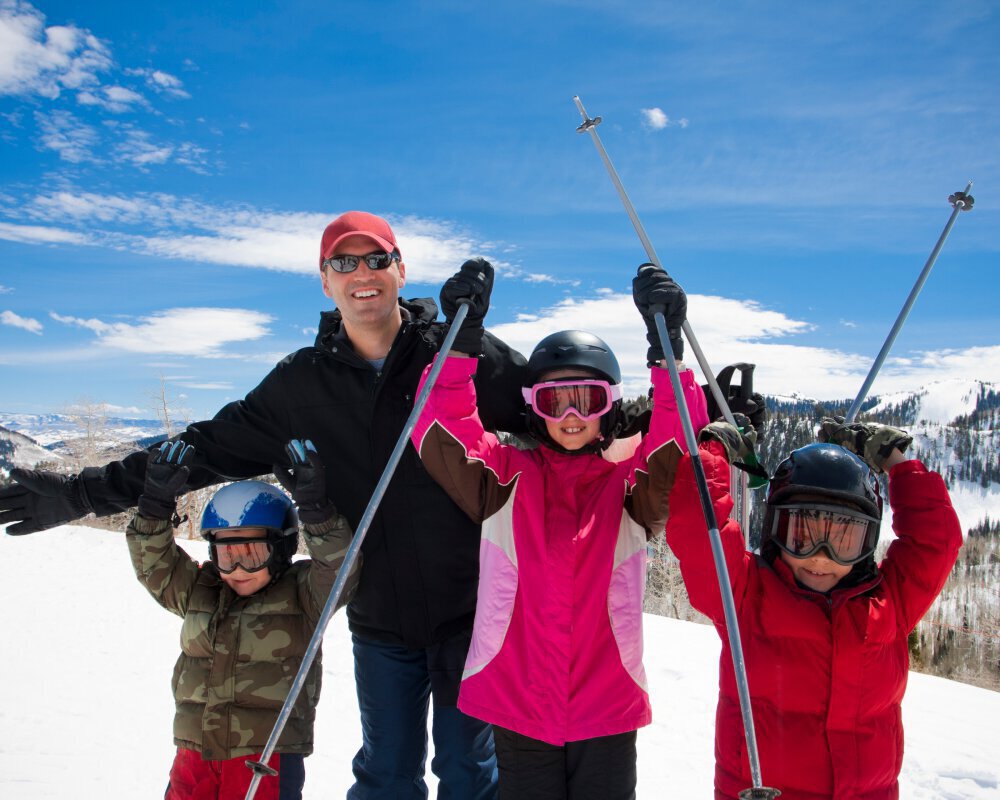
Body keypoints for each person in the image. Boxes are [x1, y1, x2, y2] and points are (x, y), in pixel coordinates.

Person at [0, 211, 529, 799]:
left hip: (475, 612)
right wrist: (83, 493)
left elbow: (564, 414)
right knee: (387, 775)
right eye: (344, 262)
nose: (363, 273)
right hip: (380, 617)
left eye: (377, 259)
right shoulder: (300, 386)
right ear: (325, 280)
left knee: (471, 773)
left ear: (400, 271)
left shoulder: (459, 353)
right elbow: (200, 449)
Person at [408, 261, 709, 799]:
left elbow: (677, 448)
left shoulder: (628, 490)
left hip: (606, 703)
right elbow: (439, 428)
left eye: (588, 399)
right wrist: (461, 346)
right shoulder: (503, 479)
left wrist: (667, 359)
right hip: (518, 700)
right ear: (534, 410)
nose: (571, 416)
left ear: (609, 405)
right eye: (553, 400)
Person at [665, 416, 963, 799]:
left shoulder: (889, 603)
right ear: (774, 529)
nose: (821, 558)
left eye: (845, 540)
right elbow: (696, 526)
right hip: (760, 788)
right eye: (800, 535)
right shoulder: (745, 595)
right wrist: (716, 449)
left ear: (868, 543)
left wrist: (894, 462)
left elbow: (936, 540)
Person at [129, 438, 358, 800]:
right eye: (226, 555)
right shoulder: (199, 590)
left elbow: (338, 568)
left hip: (265, 757)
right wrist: (154, 506)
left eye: (251, 554)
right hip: (196, 751)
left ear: (281, 549)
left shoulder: (304, 596)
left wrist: (316, 512)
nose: (237, 569)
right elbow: (154, 565)